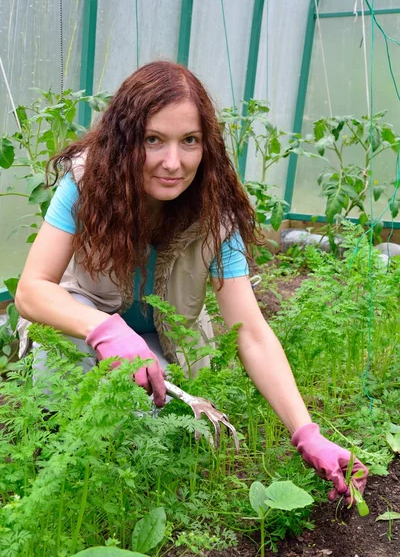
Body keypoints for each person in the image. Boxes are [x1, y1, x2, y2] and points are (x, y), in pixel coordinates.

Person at [15, 60, 368, 503]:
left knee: (155, 425)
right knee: (60, 358)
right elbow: (31, 289)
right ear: (125, 140)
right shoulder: (87, 182)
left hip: (164, 346)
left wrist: (307, 433)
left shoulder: (215, 212)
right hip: (84, 336)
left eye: (190, 142)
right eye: (153, 140)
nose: (173, 163)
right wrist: (105, 329)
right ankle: (53, 462)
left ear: (206, 145)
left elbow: (253, 334)